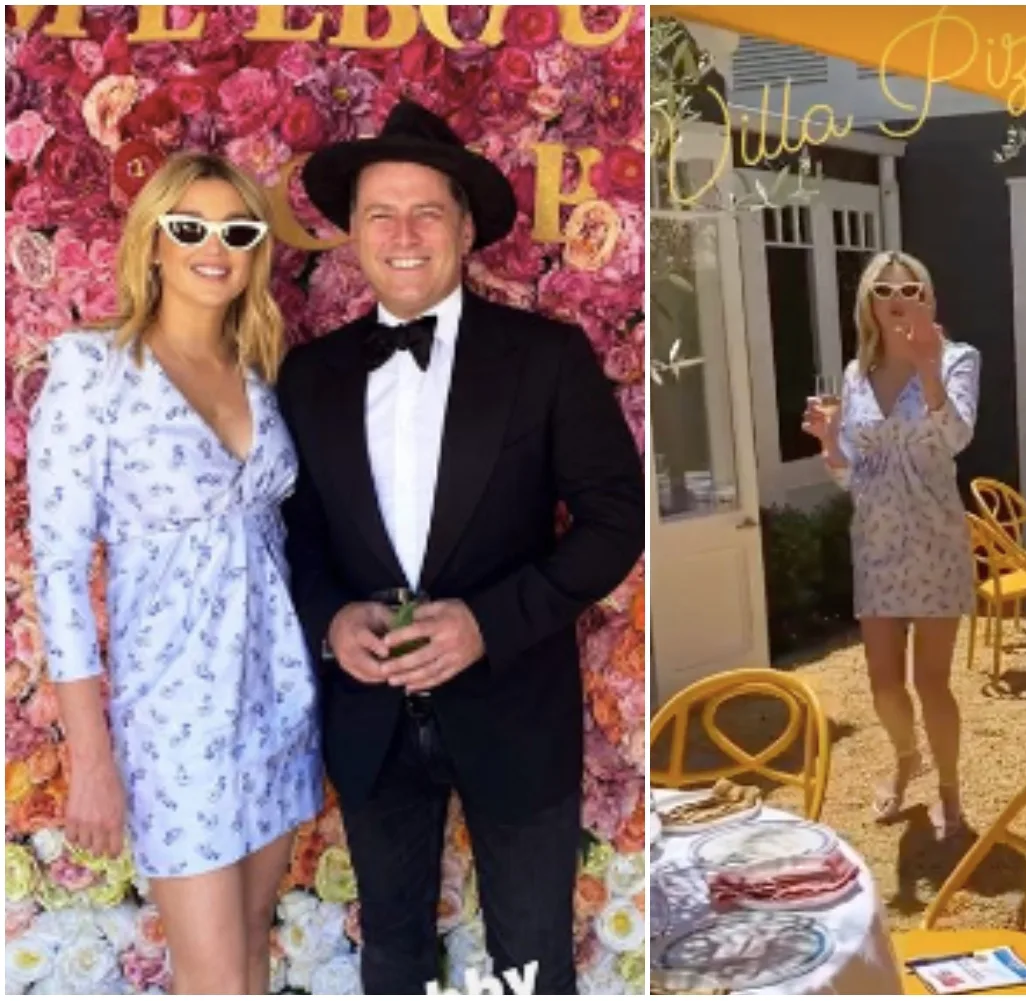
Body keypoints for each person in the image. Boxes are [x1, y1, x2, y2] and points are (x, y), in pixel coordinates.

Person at [277, 99, 644, 994]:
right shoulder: (310, 375)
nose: (404, 234)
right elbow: (295, 536)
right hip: (370, 725)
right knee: (394, 955)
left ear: (466, 227)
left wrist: (488, 621)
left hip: (515, 709)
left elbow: (615, 519)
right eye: (380, 215)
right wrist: (332, 621)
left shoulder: (545, 358)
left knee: (531, 958)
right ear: (353, 236)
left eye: (426, 212)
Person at [27, 153, 323, 993]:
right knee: (215, 979)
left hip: (274, 700)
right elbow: (58, 568)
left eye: (238, 230)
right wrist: (91, 756)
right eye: (189, 227)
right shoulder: (93, 374)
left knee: (252, 949)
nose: (214, 247)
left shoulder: (261, 371)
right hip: (174, 715)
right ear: (152, 243)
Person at [803, 250, 980, 840]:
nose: (898, 295)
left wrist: (928, 370)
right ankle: (907, 758)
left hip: (934, 537)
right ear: (869, 303)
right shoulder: (856, 375)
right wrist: (831, 443)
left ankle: (950, 791)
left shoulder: (957, 359)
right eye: (884, 288)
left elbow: (955, 437)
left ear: (929, 299)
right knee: (883, 683)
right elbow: (853, 473)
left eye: (912, 287)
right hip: (875, 541)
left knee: (932, 680)